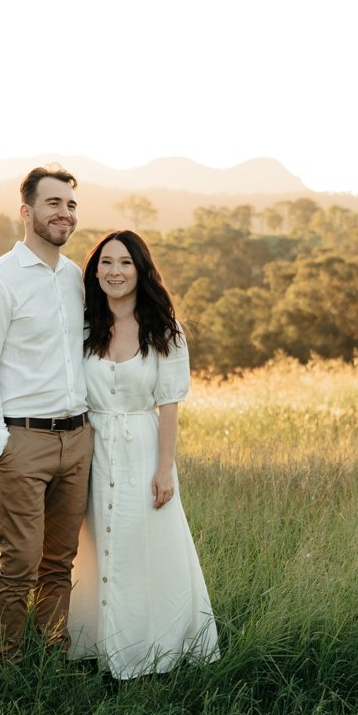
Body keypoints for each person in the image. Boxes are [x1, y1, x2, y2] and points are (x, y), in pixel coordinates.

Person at [67, 229, 219, 679]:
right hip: (92, 446)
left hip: (143, 447)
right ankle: (96, 646)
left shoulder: (165, 331)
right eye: (107, 263)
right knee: (97, 546)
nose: (115, 272)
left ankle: (152, 648)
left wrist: (164, 469)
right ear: (95, 270)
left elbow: (168, 404)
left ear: (141, 270)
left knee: (143, 547)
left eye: (125, 263)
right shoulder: (83, 325)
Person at [0, 166, 93, 664]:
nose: (65, 213)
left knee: (60, 562)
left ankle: (54, 656)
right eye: (53, 203)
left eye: (72, 205)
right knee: (18, 563)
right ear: (27, 211)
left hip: (77, 441)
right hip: (23, 443)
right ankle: (5, 665)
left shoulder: (77, 278)